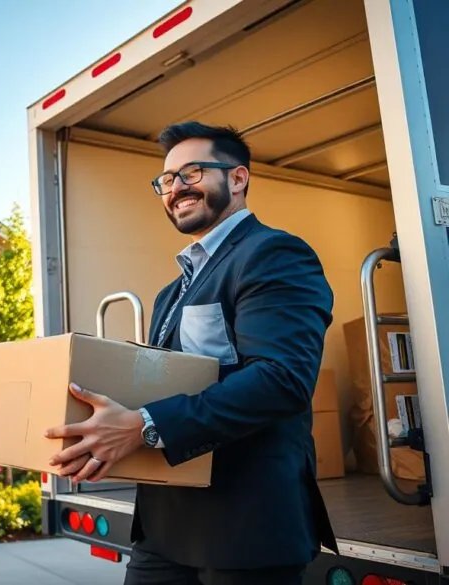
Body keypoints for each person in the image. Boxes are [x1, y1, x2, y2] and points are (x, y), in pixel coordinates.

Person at [45, 121, 337, 585]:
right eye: (166, 180)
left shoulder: (274, 253)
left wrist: (142, 426)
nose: (175, 188)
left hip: (245, 529)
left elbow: (282, 379)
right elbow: (166, 386)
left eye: (192, 173)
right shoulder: (169, 293)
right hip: (163, 530)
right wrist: (105, 440)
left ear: (237, 179)